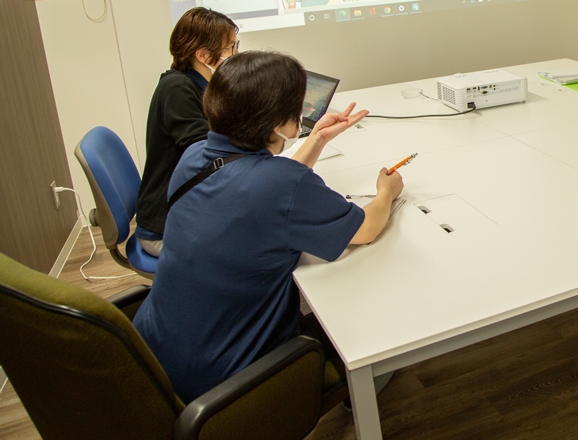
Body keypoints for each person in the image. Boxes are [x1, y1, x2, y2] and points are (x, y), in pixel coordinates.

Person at [133, 51, 403, 402]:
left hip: (157, 354)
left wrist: (316, 139)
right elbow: (365, 229)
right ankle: (357, 398)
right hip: (228, 380)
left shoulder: (195, 156)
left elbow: (274, 185)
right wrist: (387, 192)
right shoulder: (279, 185)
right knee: (373, 332)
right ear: (281, 124)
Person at [134, 7, 238, 256]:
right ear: (203, 55)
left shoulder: (199, 85)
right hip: (165, 229)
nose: (236, 54)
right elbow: (206, 153)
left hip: (185, 209)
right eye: (230, 48)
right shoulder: (178, 89)